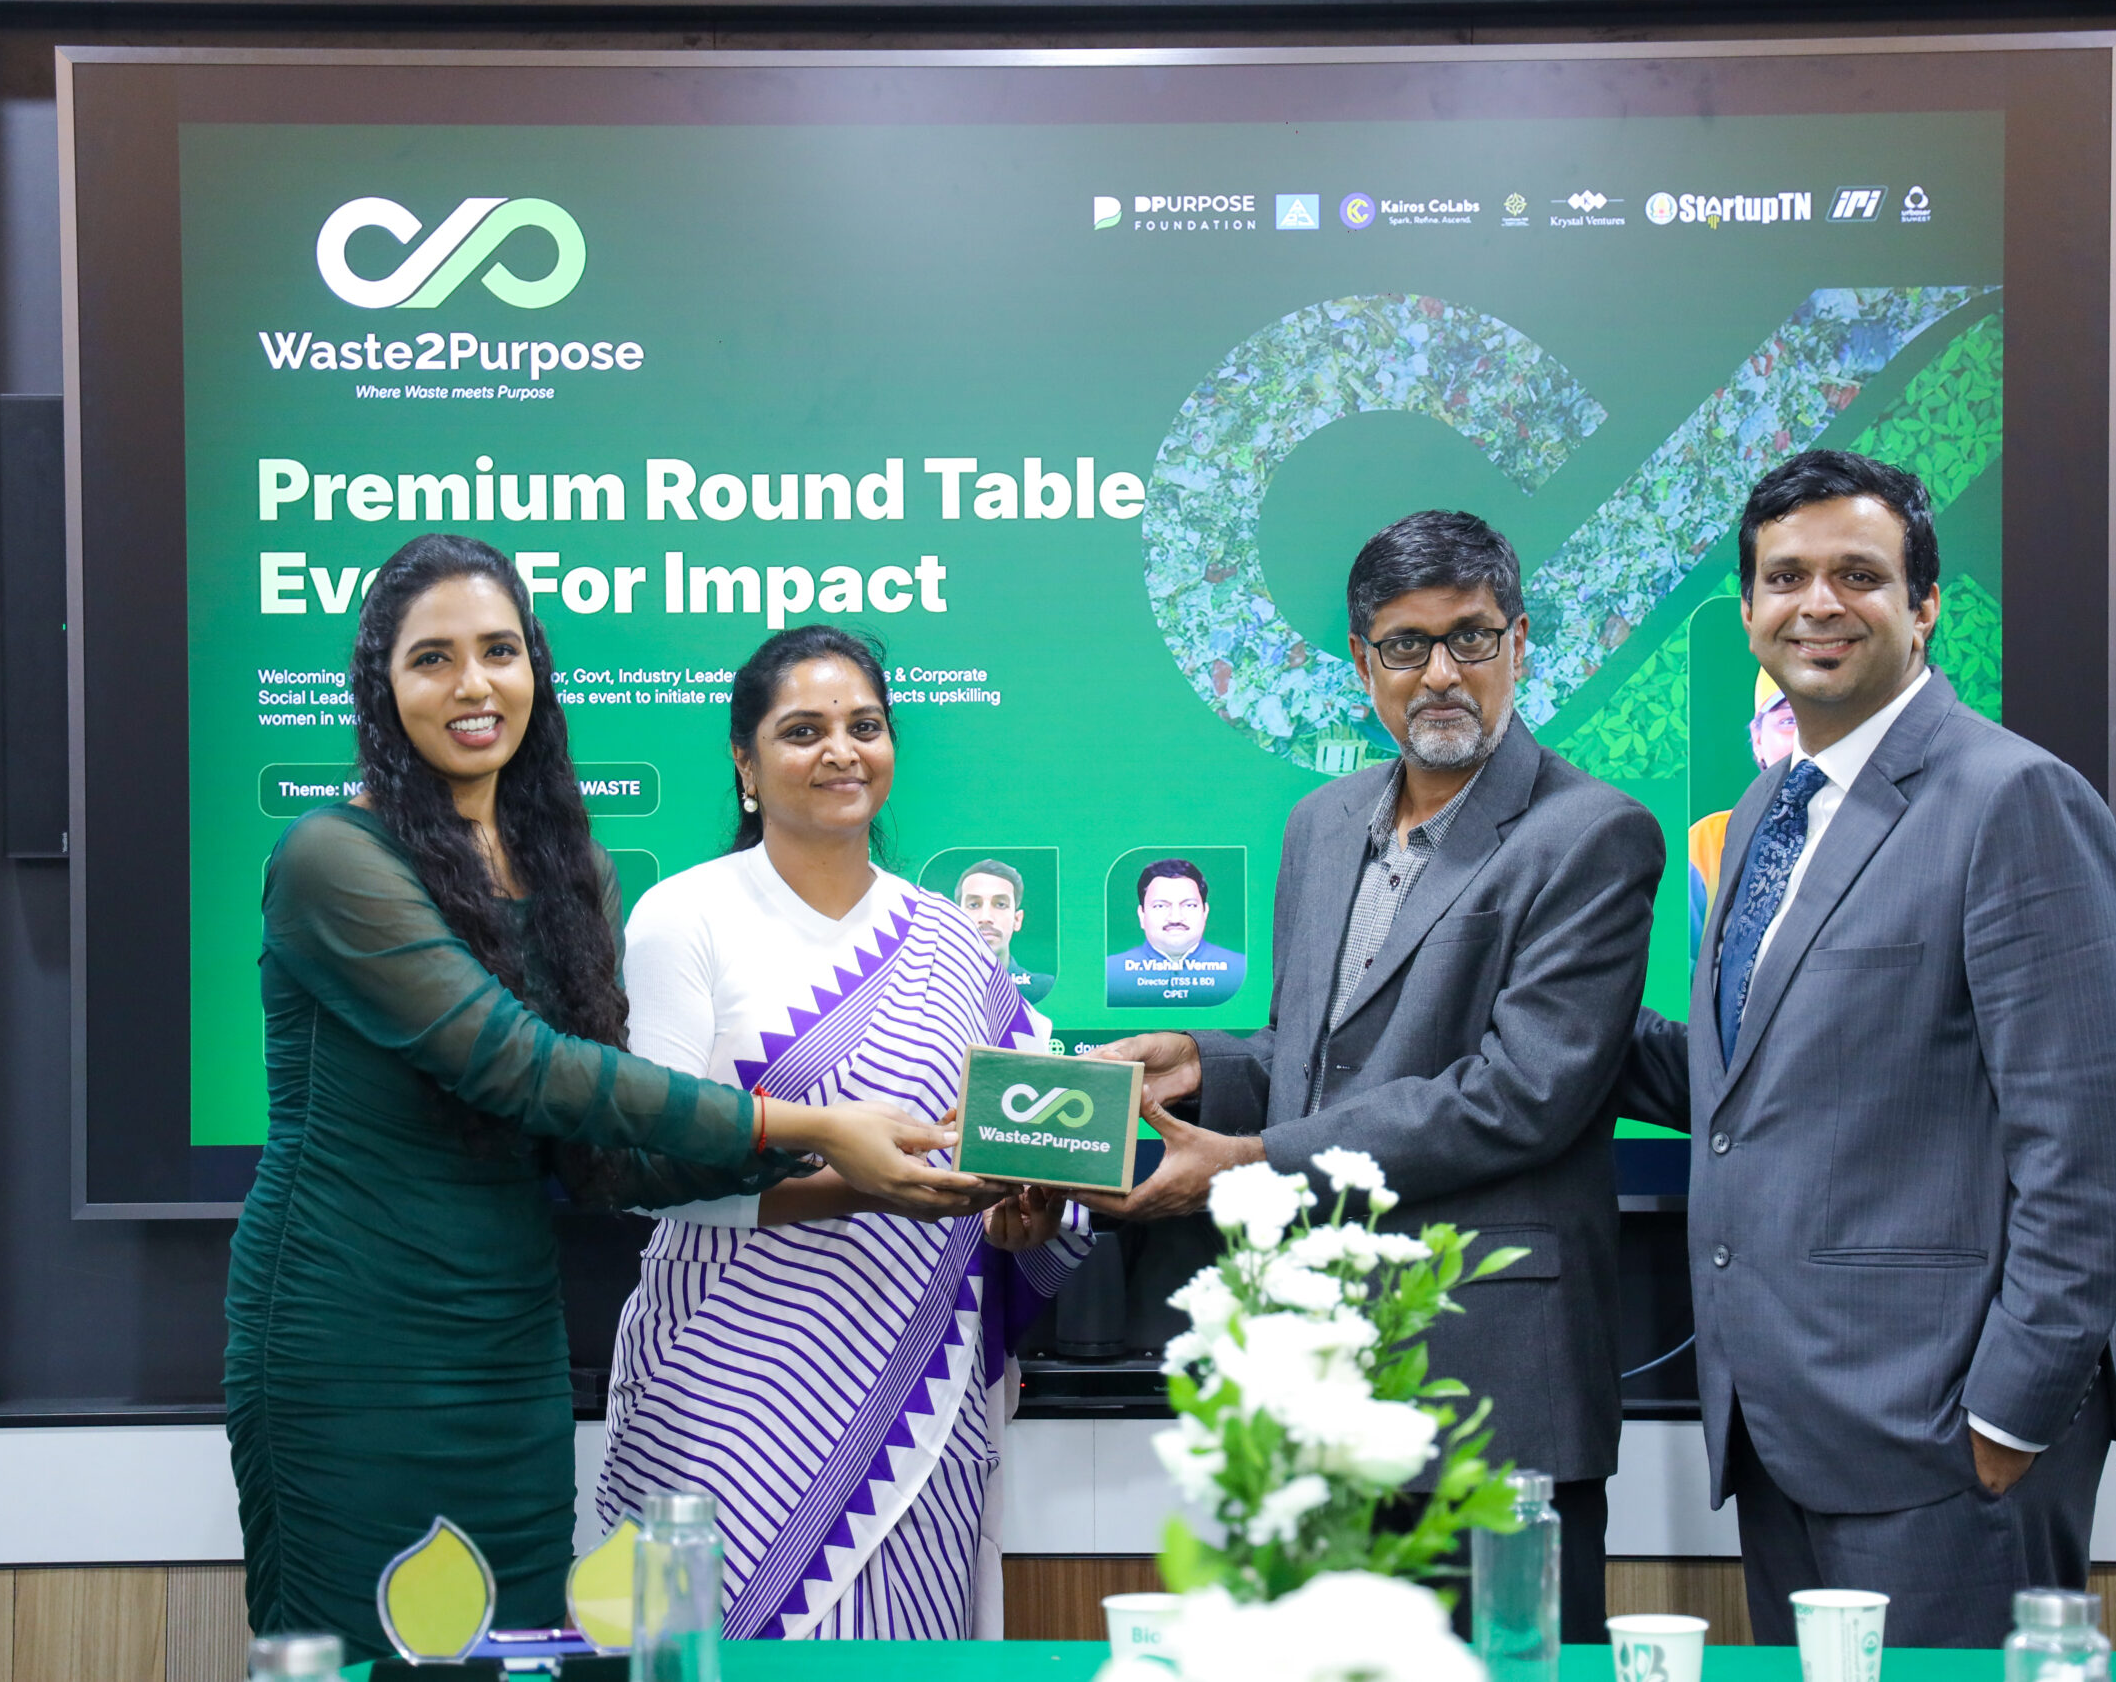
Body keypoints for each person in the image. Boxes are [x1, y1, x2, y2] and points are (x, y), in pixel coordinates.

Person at [224, 538, 975, 1658]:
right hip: (352, 1338)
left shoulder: (568, 868)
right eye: (432, 659)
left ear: (535, 667)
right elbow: (519, 1066)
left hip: (509, 1336)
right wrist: (811, 1124)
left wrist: (872, 1172)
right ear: (381, 685)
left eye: (500, 651)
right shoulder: (332, 857)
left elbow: (602, 1150)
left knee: (520, 1645)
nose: (474, 685)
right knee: (371, 1653)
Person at [1076, 510, 1663, 1644]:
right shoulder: (1322, 822)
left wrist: (1252, 1163)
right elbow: (1319, 1054)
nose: (1440, 673)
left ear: (1519, 642)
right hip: (1314, 1379)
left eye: (1470, 637)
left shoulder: (1592, 834)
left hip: (1493, 1383)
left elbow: (1522, 1094)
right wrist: (1203, 1061)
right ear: (1362, 662)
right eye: (1406, 644)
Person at [1616, 449, 2116, 1647]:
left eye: (1857, 575)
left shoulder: (2012, 799)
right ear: (1747, 612)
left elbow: (2091, 1144)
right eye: (1785, 577)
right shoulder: (1765, 812)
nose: (1817, 603)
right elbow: (1746, 1084)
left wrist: (2009, 1415)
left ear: (1924, 607)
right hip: (1782, 1426)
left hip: (1946, 1440)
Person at [595, 624, 1092, 1640]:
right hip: (725, 1392)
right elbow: (643, 1166)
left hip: (918, 1397)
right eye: (802, 730)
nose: (840, 750)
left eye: (864, 726)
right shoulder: (683, 918)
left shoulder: (952, 941)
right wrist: (859, 1187)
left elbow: (1028, 1150)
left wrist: (1027, 1215)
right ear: (745, 762)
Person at [1686, 674, 1800, 958]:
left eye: (1826, 718)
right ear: (1757, 740)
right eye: (1789, 720)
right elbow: (1670, 971)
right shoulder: (1708, 843)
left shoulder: (1890, 834)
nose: (1807, 737)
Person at [1104, 858, 1248, 1007]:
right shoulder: (1109, 974)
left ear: (1205, 912)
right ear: (1142, 915)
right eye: (1160, 906)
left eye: (1189, 905)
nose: (1175, 918)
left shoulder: (1242, 970)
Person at [957, 857, 1055, 1002]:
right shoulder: (931, 991)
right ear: (957, 918)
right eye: (974, 905)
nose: (986, 917)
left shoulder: (1044, 989)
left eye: (1000, 904)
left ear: (1017, 920)